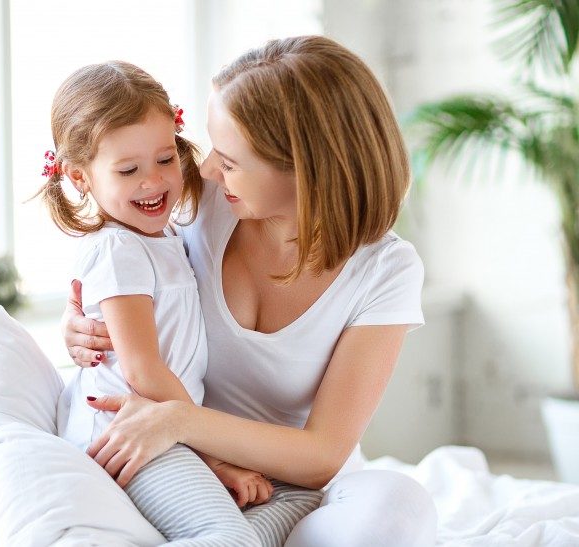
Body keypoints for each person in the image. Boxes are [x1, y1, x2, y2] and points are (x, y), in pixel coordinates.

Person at [63, 37, 439, 547]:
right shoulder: (207, 198)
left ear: (306, 169)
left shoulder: (384, 271)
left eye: (231, 159)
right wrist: (85, 325)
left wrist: (181, 421)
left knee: (399, 507)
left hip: (289, 485)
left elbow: (322, 456)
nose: (207, 169)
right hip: (178, 461)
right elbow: (121, 249)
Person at [36, 60, 320, 546]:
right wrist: (215, 458)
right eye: (128, 170)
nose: (154, 182)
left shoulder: (161, 235)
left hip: (167, 429)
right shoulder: (118, 248)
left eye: (165, 159)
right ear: (80, 178)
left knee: (300, 498)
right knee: (229, 536)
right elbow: (143, 370)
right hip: (130, 434)